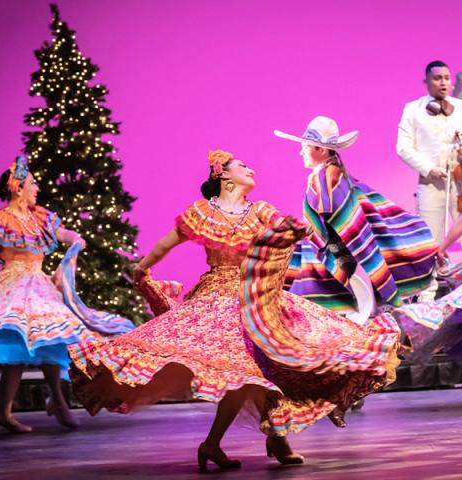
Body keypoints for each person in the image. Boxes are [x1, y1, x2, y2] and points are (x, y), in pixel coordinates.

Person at [68, 149, 400, 470]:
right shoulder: (201, 212)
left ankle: (267, 436)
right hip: (218, 297)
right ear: (223, 174)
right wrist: (142, 269)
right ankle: (242, 441)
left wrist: (303, 231)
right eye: (242, 165)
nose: (250, 170)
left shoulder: (260, 212)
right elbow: (167, 243)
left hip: (256, 298)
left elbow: (293, 228)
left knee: (271, 363)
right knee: (245, 372)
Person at [0, 155, 132, 434]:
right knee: (21, 345)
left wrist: (76, 241)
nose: (37, 188)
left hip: (39, 285)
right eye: (33, 183)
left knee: (51, 337)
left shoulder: (39, 216)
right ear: (17, 187)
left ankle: (53, 402)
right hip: (14, 286)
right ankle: (12, 410)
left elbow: (64, 234)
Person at [274, 116, 437, 322]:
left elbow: (344, 223)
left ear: (321, 150)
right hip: (328, 259)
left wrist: (316, 238)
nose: (301, 151)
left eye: (306, 146)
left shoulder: (328, 177)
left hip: (327, 262)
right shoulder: (331, 174)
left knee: (309, 315)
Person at [397, 60, 462, 245]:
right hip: (431, 183)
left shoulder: (460, 108)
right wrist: (429, 169)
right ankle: (433, 272)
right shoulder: (413, 109)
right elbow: (403, 147)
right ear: (426, 81)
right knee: (429, 239)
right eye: (438, 78)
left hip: (460, 182)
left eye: (447, 78)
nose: (443, 83)